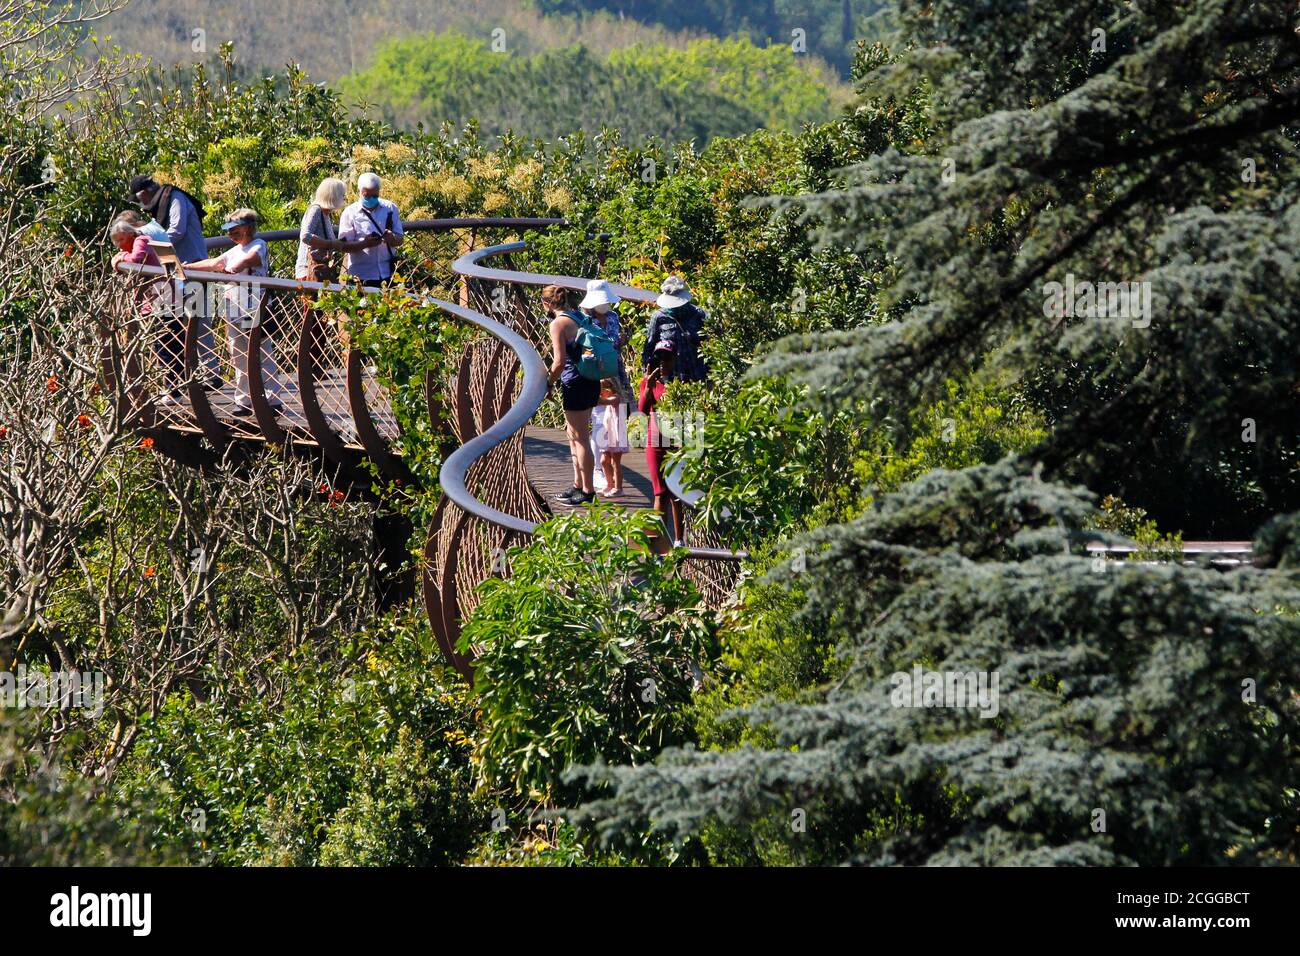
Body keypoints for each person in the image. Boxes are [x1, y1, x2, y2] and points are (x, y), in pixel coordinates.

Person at [187, 209, 284, 415]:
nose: (231, 235)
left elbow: (250, 260)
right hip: (232, 306)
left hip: (254, 306)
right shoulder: (234, 250)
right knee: (238, 353)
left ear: (247, 228)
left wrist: (234, 268)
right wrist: (187, 267)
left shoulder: (258, 245)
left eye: (235, 230)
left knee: (261, 351)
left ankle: (272, 399)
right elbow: (215, 263)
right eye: (229, 231)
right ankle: (243, 400)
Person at [111, 218, 183, 403]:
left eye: (121, 240)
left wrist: (120, 260)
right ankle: (173, 390)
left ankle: (173, 392)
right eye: (116, 241)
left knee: (166, 347)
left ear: (130, 234)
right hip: (158, 302)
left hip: (162, 302)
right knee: (164, 347)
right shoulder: (137, 242)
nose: (120, 245)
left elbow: (137, 259)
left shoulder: (140, 240)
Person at [544, 284, 598, 505]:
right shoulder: (577, 315)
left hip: (575, 382)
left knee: (580, 437)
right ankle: (578, 485)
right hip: (591, 379)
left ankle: (588, 492)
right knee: (573, 434)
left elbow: (558, 362)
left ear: (546, 303)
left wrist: (548, 383)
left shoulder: (558, 324)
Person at [639, 339, 685, 550]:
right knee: (660, 493)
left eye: (667, 357)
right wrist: (648, 388)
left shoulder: (683, 382)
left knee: (676, 493)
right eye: (659, 357)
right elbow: (642, 409)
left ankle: (678, 540)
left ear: (675, 358)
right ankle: (659, 545)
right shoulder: (649, 381)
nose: (663, 362)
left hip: (677, 440)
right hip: (656, 440)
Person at [295, 177, 383, 282]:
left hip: (318, 269)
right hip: (309, 270)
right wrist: (331, 244)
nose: (344, 198)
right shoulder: (316, 210)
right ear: (333, 195)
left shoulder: (325, 213)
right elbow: (305, 236)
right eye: (342, 195)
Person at [338, 172, 404, 283]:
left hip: (388, 273)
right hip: (360, 275)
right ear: (359, 192)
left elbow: (400, 239)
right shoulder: (350, 213)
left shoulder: (390, 208)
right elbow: (343, 246)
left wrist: (391, 238)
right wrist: (365, 244)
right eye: (366, 196)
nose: (371, 199)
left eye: (374, 196)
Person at [642, 274, 707, 383]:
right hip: (672, 378)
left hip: (698, 374)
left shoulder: (698, 314)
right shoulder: (659, 317)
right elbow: (649, 347)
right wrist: (648, 374)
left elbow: (710, 341)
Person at [128, 174, 206, 263]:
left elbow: (177, 230)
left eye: (137, 200)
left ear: (144, 194)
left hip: (194, 261)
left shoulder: (175, 197)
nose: (140, 203)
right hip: (177, 263)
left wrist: (149, 244)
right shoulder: (160, 204)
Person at [592, 378, 629, 498]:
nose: (600, 392)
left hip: (617, 435)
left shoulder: (616, 398)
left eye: (602, 389)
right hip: (608, 434)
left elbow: (601, 401)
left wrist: (589, 395)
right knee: (604, 461)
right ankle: (609, 484)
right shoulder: (608, 400)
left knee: (615, 462)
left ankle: (619, 488)